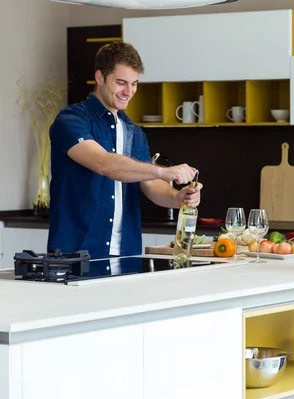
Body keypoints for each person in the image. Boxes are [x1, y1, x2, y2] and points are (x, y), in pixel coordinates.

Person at [48, 41, 201, 260]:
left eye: (134, 83)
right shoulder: (71, 120)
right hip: (75, 254)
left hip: (126, 255)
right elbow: (103, 163)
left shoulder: (133, 131)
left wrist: (178, 197)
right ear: (100, 77)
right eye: (121, 83)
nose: (129, 92)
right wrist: (163, 171)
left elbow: (148, 183)